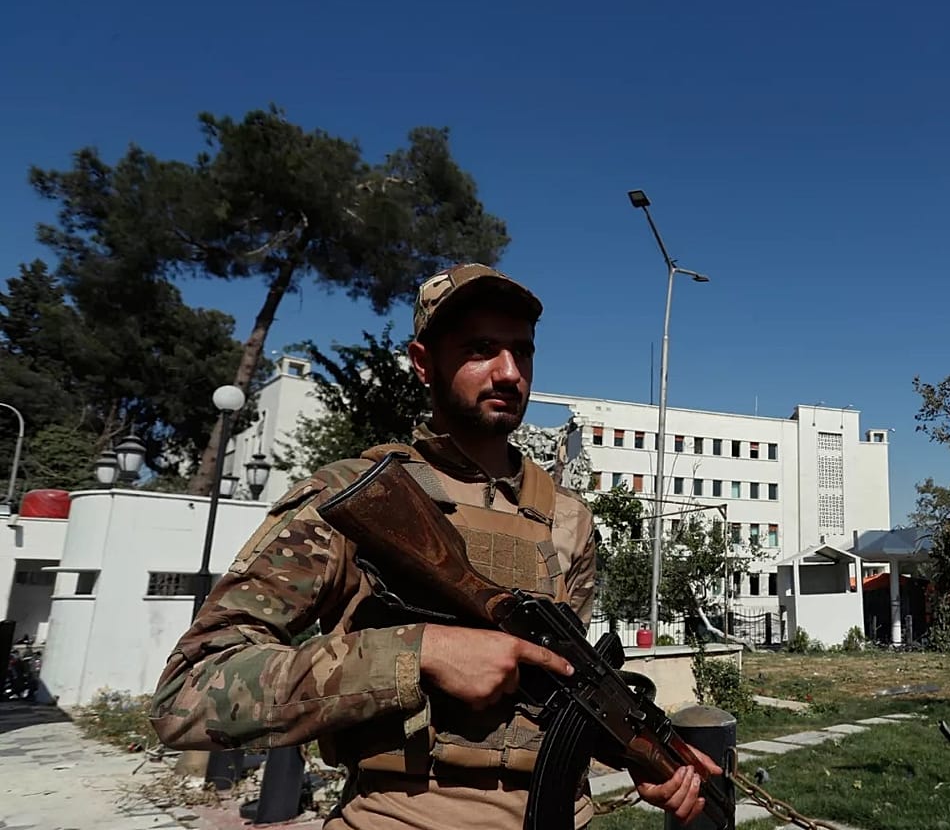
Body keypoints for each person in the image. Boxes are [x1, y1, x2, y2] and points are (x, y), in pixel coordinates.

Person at [149, 263, 719, 829]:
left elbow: (556, 692)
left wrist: (635, 751)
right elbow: (188, 694)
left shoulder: (569, 518)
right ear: (424, 363)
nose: (509, 372)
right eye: (481, 348)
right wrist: (418, 653)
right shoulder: (350, 498)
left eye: (522, 351)